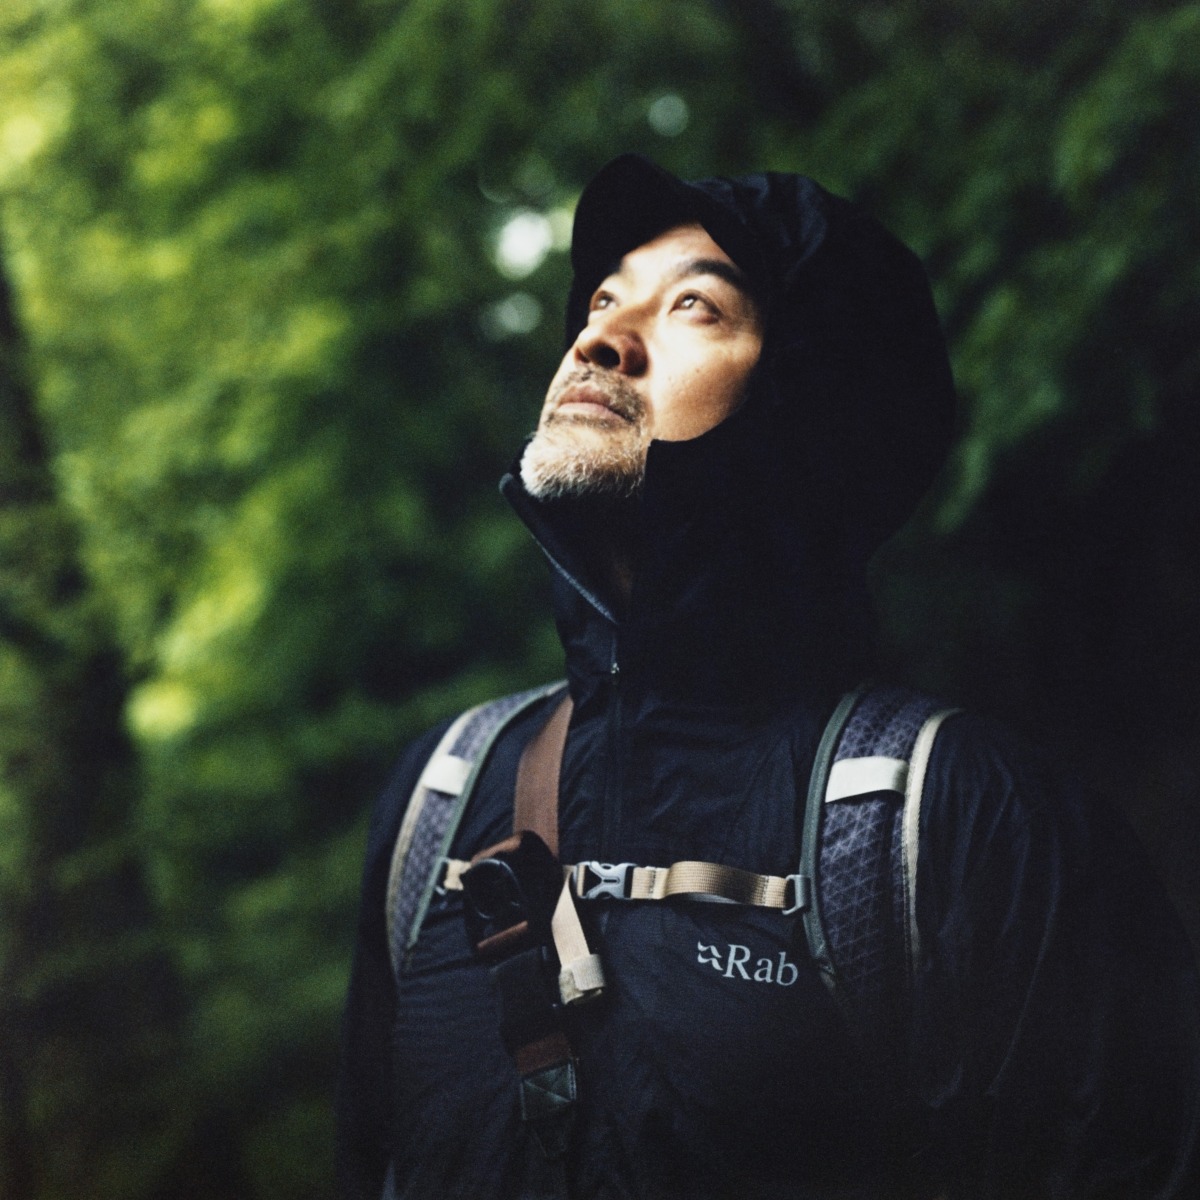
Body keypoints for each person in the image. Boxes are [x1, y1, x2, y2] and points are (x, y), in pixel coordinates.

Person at [336, 154, 1200, 1199]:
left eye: (692, 306)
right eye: (602, 299)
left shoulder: (960, 821)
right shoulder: (441, 802)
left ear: (803, 399)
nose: (599, 337)